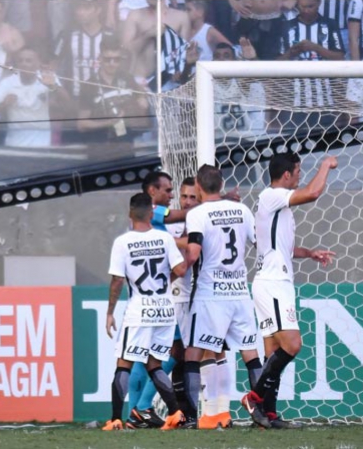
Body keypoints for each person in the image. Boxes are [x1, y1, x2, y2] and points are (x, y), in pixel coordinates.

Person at [247, 153, 337, 429]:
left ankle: (268, 415)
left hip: (274, 282)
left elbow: (280, 248)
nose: (300, 175)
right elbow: (313, 193)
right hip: (272, 284)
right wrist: (325, 166)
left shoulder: (279, 207)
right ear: (286, 174)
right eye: (298, 171)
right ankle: (254, 398)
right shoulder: (272, 196)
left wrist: (309, 253)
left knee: (273, 352)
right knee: (292, 345)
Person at [183, 164, 266, 428]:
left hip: (210, 294)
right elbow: (260, 244)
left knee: (197, 354)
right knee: (250, 354)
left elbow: (194, 253)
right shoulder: (241, 210)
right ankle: (262, 411)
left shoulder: (197, 214)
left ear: (198, 185)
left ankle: (200, 416)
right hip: (240, 293)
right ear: (221, 184)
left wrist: (179, 268)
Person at [103, 192, 187, 431]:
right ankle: (175, 413)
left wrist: (110, 312)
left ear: (130, 214)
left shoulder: (123, 242)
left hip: (140, 309)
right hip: (164, 309)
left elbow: (117, 280)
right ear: (152, 213)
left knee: (124, 364)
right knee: (154, 364)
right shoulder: (164, 238)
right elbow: (179, 269)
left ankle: (116, 418)